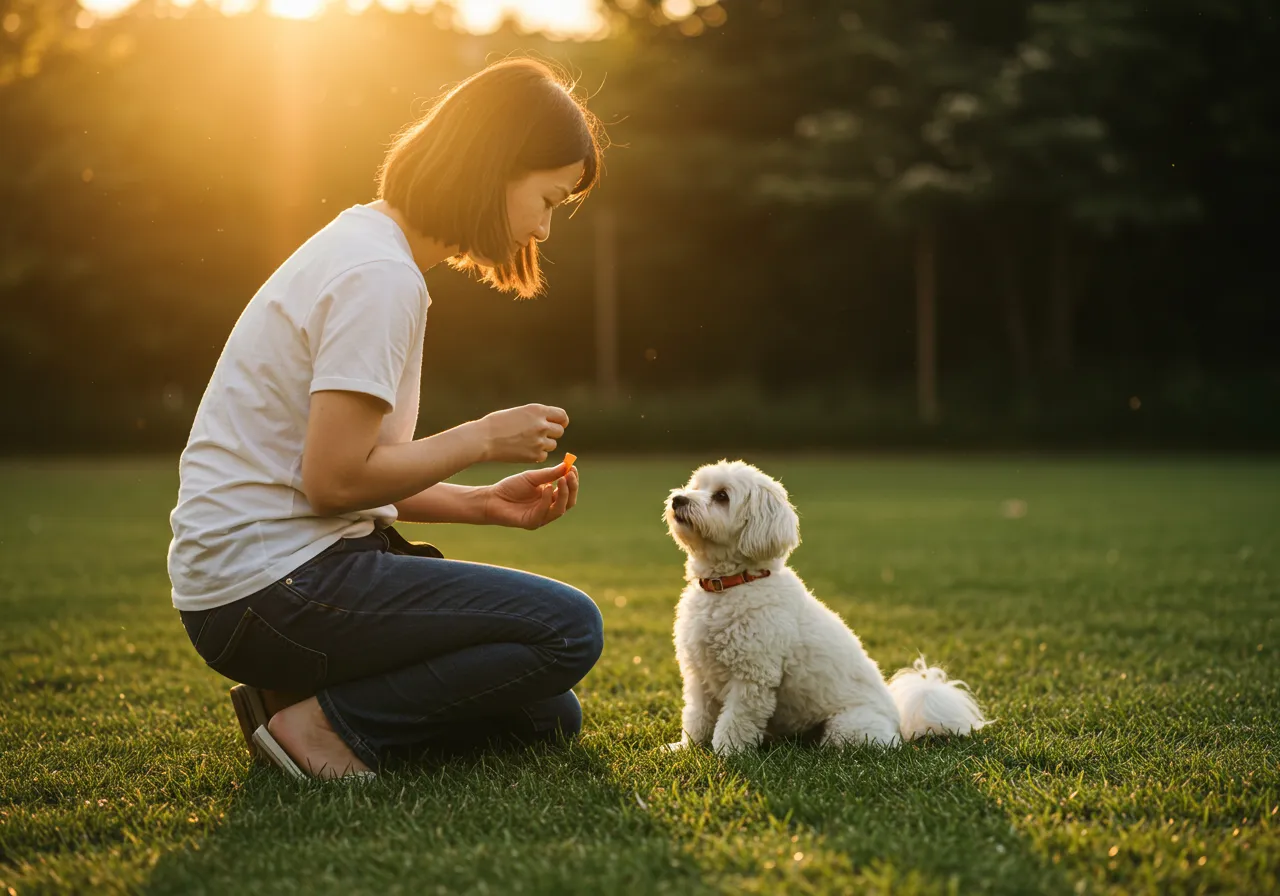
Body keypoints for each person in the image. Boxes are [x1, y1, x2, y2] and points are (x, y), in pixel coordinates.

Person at [167, 58, 606, 780]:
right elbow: (333, 481)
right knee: (569, 629)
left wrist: (483, 505)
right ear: (494, 170)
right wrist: (483, 438)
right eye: (548, 198)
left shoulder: (368, 246)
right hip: (270, 590)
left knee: (546, 714)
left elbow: (353, 473)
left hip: (264, 586)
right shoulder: (380, 277)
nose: (544, 227)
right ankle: (325, 731)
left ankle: (288, 697)